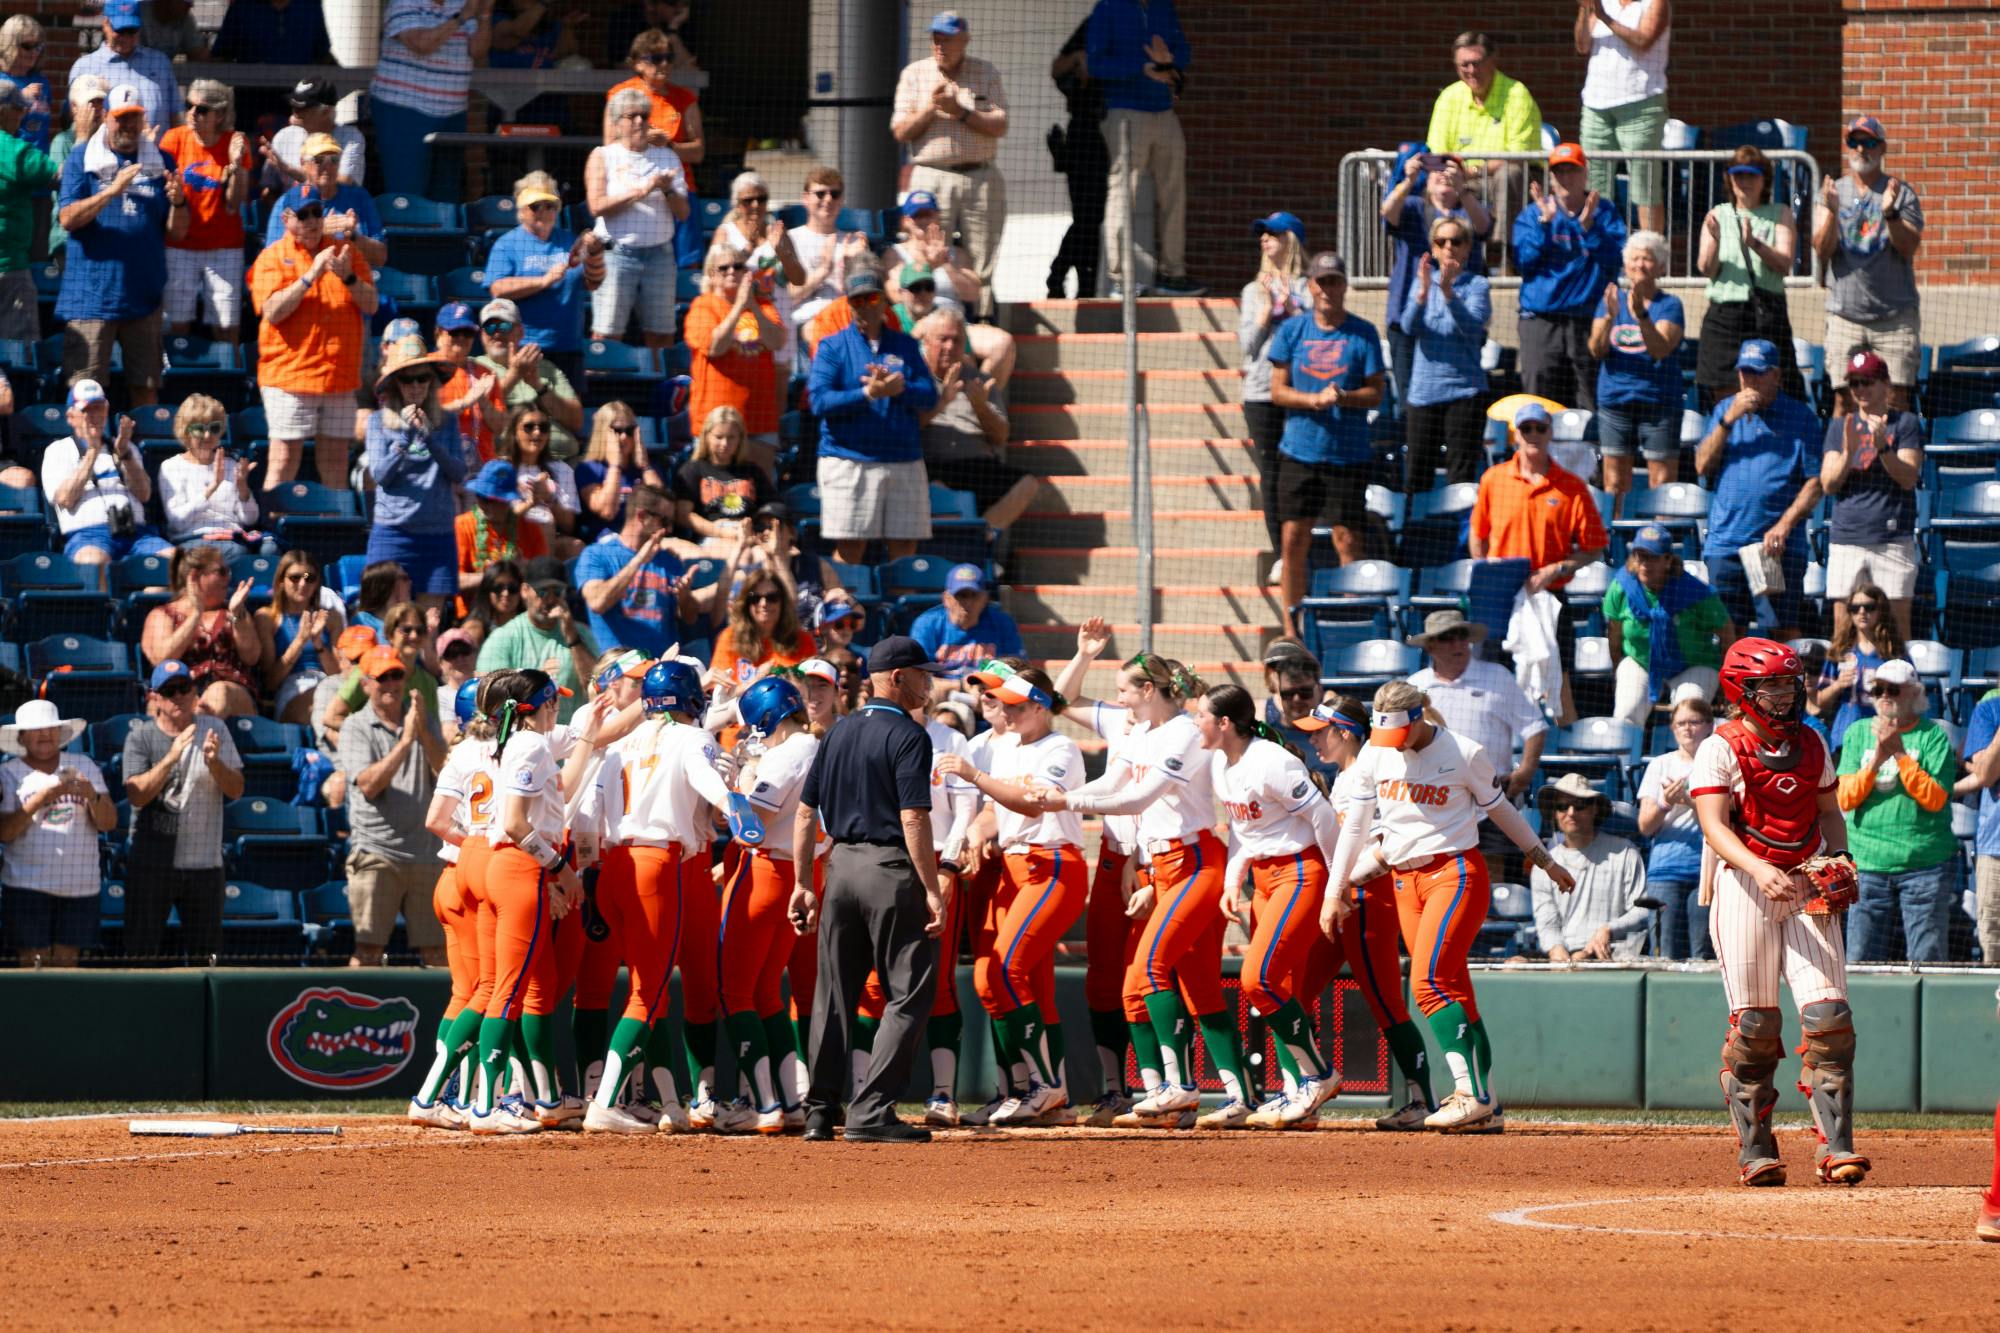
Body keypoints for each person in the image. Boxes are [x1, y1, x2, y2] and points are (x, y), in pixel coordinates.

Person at [1325, 680, 1574, 1132]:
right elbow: (1355, 828)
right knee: (1455, 990)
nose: (1392, 746)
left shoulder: (1463, 752)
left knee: (1428, 984)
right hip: (1404, 881)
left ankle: (1469, 1094)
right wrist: (1333, 890)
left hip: (1454, 874)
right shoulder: (1376, 754)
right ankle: (1488, 1105)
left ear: (1419, 717)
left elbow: (1502, 812)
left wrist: (1545, 860)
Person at [1040, 656, 1255, 1129]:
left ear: (1150, 690)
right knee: (1186, 984)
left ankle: (1178, 1088)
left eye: (1125, 691)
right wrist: (1054, 796)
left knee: (1149, 968)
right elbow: (1114, 785)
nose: (1118, 700)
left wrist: (1066, 801)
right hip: (1163, 864)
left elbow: (1139, 799)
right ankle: (1229, 1096)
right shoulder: (1141, 733)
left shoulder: (1181, 732)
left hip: (1197, 860)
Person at [1691, 637, 1867, 1187]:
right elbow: (1714, 825)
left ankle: (1835, 1148)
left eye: (1789, 684)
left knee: (1830, 1018)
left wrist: (1839, 858)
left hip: (1806, 881)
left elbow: (1828, 812)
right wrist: (1757, 866)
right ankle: (1756, 1149)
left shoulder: (1813, 742)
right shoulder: (1719, 746)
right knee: (1756, 1025)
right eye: (1770, 686)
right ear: (1741, 690)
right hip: (1745, 885)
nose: (1783, 695)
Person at [790, 635, 949, 1144]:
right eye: (922, 674)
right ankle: (872, 1110)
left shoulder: (835, 733)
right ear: (897, 677)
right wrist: (931, 886)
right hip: (889, 870)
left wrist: (801, 882)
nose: (929, 682)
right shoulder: (909, 734)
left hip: (839, 870)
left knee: (833, 994)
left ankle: (819, 1111)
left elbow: (803, 813)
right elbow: (912, 818)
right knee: (908, 994)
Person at [931, 667, 1087, 1124]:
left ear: (1041, 707)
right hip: (1016, 869)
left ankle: (1045, 1086)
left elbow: (1030, 802)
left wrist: (975, 775)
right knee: (1000, 980)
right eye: (1008, 704)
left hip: (1052, 864)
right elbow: (995, 814)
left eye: (1019, 705)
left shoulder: (1060, 747)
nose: (1011, 711)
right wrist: (974, 836)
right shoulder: (1008, 750)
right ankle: (1026, 1093)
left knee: (1003, 971)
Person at [1199, 684, 1344, 1126]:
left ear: (1225, 723)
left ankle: (1319, 1076)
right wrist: (1232, 880)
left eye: (1201, 715)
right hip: (1262, 878)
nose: (1196, 724)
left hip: (1301, 872)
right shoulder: (1220, 763)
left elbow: (1321, 816)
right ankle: (1296, 1093)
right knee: (1279, 987)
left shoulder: (1270, 760)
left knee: (1257, 978)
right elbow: (1244, 831)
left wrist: (1337, 886)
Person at [461, 668, 581, 1132]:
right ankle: (487, 1107)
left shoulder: (515, 742)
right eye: (553, 701)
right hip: (517, 868)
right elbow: (515, 822)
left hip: (504, 867)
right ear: (536, 706)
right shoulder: (530, 744)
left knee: (518, 986)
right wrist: (561, 869)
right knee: (509, 990)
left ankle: (530, 1099)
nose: (558, 708)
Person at [1267, 251, 1387, 631]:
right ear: (1310, 286)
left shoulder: (1363, 332)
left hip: (1347, 454)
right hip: (1299, 452)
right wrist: (1313, 400)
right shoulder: (1292, 330)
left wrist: (1345, 397)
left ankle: (1354, 623)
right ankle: (1292, 628)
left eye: (1334, 280)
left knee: (1348, 540)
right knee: (1292, 540)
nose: (1327, 288)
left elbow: (1376, 393)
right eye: (1321, 281)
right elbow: (1277, 391)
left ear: (1344, 285)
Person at [1470, 400, 1610, 720]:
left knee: (1558, 683)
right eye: (1526, 428)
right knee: (1490, 678)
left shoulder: (1571, 486)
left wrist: (1555, 569)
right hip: (1500, 597)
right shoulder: (1494, 479)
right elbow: (1477, 537)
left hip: (1549, 594)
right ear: (1515, 435)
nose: (1533, 434)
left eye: (1540, 428)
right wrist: (1488, 572)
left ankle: (1563, 754)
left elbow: (1594, 546)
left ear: (1550, 433)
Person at [56, 83, 187, 407]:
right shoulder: (82, 157)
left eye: (134, 117)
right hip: (91, 297)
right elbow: (68, 218)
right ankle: (86, 458)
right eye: (121, 117)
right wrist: (110, 192)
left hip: (143, 296)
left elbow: (177, 233)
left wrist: (180, 203)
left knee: (146, 389)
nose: (128, 124)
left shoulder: (161, 161)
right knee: (86, 395)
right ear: (105, 117)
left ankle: (140, 457)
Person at [251, 182, 379, 490]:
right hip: (289, 378)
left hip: (338, 377)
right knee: (284, 461)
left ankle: (334, 531)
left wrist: (347, 276)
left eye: (316, 213)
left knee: (335, 462)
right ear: (286, 219)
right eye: (303, 214)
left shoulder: (345, 252)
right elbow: (273, 310)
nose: (311, 221)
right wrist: (311, 276)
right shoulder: (272, 257)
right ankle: (273, 532)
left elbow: (371, 304)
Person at [1404, 608, 1548, 881]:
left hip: (1491, 796)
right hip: (1435, 800)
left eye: (1462, 637)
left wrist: (1525, 773)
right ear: (1431, 646)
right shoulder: (1415, 687)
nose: (1458, 644)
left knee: (1490, 879)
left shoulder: (1497, 676)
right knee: (1442, 876)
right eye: (1448, 638)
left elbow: (1535, 726)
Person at [809, 267, 939, 565]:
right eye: (856, 300)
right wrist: (867, 394)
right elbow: (819, 401)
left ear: (883, 302)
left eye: (871, 298)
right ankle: (843, 610)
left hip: (903, 458)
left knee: (905, 549)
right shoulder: (833, 346)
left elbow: (929, 395)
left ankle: (902, 607)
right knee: (851, 547)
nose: (864, 306)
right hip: (849, 459)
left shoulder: (905, 345)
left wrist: (898, 389)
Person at [1696, 338, 1822, 641]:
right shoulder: (1724, 411)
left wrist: (1785, 525)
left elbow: (1815, 483)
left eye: (1758, 373)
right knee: (1728, 633)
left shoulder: (1800, 417)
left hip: (1773, 548)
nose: (1749, 380)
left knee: (1781, 631)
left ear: (1776, 376)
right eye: (1744, 373)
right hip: (1726, 543)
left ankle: (1785, 690)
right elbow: (1701, 465)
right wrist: (1729, 420)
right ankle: (1731, 691)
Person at [1833, 658, 1956, 964]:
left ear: (1915, 694)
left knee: (1927, 961)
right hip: (1868, 864)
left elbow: (1935, 799)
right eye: (1878, 689)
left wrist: (1899, 753)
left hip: (1924, 866)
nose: (1884, 695)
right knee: (1861, 962)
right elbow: (1846, 798)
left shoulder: (1933, 736)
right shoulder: (1858, 733)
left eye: (1894, 689)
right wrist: (1876, 758)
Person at [121, 660, 244, 963]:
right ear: (155, 697)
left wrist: (215, 764)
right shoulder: (141, 737)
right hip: (151, 865)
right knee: (141, 955)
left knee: (208, 958)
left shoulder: (215, 729)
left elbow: (236, 789)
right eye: (169, 691)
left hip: (204, 865)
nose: (178, 697)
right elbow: (137, 795)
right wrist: (171, 757)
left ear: (195, 692)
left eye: (184, 688)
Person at [338, 642, 448, 966]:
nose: (391, 684)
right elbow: (370, 785)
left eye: (396, 675)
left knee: (438, 953)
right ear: (365, 684)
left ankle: (443, 1017)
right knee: (368, 950)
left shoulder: (422, 722)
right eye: (382, 677)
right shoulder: (355, 726)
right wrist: (405, 742)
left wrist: (422, 731)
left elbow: (443, 769)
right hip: (377, 853)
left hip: (425, 854)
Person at [892, 11, 1009, 313]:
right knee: (927, 248)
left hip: (979, 175)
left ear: (965, 40)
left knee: (982, 256)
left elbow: (1000, 125)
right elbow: (900, 130)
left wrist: (961, 111)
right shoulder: (914, 74)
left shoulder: (986, 72)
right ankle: (924, 314)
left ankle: (982, 319)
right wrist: (931, 109)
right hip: (931, 175)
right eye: (936, 39)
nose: (940, 46)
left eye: (948, 39)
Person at [1086, 0, 1199, 298]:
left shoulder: (1164, 7)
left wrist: (1168, 61)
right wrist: (1142, 68)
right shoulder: (1107, 8)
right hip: (1125, 111)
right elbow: (1096, 63)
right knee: (1123, 191)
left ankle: (1174, 274)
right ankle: (1118, 279)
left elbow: (1184, 53)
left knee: (1175, 192)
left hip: (1164, 110)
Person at [1814, 116, 1924, 414]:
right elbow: (1821, 250)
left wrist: (1890, 214)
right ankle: (1844, 460)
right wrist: (1832, 212)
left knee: (1895, 402)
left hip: (1894, 318)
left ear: (1882, 147)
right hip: (1845, 317)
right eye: (1854, 142)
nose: (1861, 149)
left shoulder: (1901, 193)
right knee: (1844, 401)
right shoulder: (1832, 192)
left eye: (1869, 142)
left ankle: (1890, 460)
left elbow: (1908, 247)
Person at [0, 700, 116, 968]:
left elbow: (108, 823)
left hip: (80, 886)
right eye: (36, 729)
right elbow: (5, 833)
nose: (44, 735)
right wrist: (41, 798)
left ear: (60, 733)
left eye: (50, 728)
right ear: (22, 736)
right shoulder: (8, 773)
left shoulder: (84, 765)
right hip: (26, 885)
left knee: (67, 966)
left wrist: (92, 795)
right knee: (33, 963)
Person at [1514, 143, 1627, 412]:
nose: (1566, 178)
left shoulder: (1605, 211)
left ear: (1585, 173)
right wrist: (1544, 224)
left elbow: (1616, 261)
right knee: (1540, 404)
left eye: (1572, 171)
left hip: (1587, 320)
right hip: (1541, 321)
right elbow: (1523, 263)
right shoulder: (1533, 214)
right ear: (1551, 178)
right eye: (1559, 172)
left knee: (1589, 400)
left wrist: (1590, 228)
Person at [1820, 350, 1922, 645]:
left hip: (1891, 539)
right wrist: (1849, 453)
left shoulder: (1905, 424)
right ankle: (1843, 688)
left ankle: (1901, 688)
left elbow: (1908, 477)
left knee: (1897, 628)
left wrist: (1883, 448)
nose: (1861, 389)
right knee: (1842, 629)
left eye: (1868, 382)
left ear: (1886, 384)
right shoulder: (1840, 426)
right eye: (1855, 383)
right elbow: (1828, 484)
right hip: (1846, 538)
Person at [1379, 147, 1492, 415]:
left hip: (1458, 319)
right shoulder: (1414, 206)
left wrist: (1462, 189)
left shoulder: (1469, 209)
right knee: (1410, 401)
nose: (1442, 174)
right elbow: (1387, 213)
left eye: (1449, 169)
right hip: (1410, 314)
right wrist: (1408, 180)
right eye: (1436, 170)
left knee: (1459, 403)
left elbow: (1484, 226)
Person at [1695, 146, 1803, 413]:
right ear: (1729, 179)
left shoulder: (1780, 212)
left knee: (1774, 391)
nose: (1744, 182)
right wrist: (1716, 240)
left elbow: (1784, 263)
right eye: (1738, 175)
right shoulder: (1717, 214)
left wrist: (1755, 244)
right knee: (1724, 392)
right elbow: (1706, 268)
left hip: (1766, 312)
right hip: (1725, 316)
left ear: (1764, 179)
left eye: (1751, 175)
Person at [364, 334, 468, 609]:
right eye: (407, 379)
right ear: (396, 384)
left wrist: (430, 439)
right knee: (387, 616)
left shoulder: (447, 422)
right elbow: (380, 476)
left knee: (430, 623)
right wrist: (406, 437)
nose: (415, 386)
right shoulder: (378, 422)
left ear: (432, 381)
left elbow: (459, 473)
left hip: (437, 534)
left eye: (422, 378)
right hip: (393, 532)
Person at [916, 309, 1040, 534]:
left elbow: (1001, 437)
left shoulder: (979, 381)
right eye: (943, 339)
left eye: (957, 340)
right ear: (926, 342)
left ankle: (981, 540)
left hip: (975, 467)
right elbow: (908, 429)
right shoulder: (913, 379)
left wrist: (981, 406)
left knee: (1026, 484)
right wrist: (941, 403)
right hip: (928, 466)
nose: (950, 347)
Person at [587, 87, 690, 350]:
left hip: (660, 256)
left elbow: (683, 213)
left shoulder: (667, 157)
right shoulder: (603, 156)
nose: (639, 122)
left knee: (661, 335)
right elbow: (596, 206)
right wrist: (643, 190)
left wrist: (666, 189)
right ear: (616, 122)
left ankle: (661, 389)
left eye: (644, 116)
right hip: (616, 255)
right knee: (607, 335)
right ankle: (604, 388)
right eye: (631, 116)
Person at [484, 172, 605, 389]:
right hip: (526, 348)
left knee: (568, 417)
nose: (544, 211)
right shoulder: (507, 244)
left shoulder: (569, 241)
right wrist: (542, 281)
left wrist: (595, 254)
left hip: (568, 347)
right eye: (535, 206)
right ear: (521, 210)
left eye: (550, 206)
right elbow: (497, 288)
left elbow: (593, 283)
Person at [1400, 214, 1493, 495]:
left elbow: (1472, 329)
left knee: (1460, 477)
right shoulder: (1420, 284)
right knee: (1416, 475)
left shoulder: (1477, 285)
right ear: (1434, 248)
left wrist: (1448, 292)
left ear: (1467, 248)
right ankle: (1415, 534)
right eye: (1441, 241)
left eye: (1456, 241)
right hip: (1423, 393)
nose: (1449, 247)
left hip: (1464, 392)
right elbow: (1408, 327)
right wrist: (1423, 294)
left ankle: (1458, 536)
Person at [1602, 523, 1730, 726]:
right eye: (1640, 556)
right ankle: (1626, 758)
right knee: (1625, 716)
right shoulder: (1622, 586)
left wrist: (1727, 682)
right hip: (1641, 661)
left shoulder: (1694, 592)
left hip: (1694, 664)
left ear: (1668, 559)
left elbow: (1726, 633)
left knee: (1689, 718)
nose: (1644, 563)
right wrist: (1617, 670)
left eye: (1652, 557)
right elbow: (1614, 635)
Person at [1589, 230, 1685, 497]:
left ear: (1661, 267)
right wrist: (1609, 317)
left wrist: (1641, 315)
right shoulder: (1610, 300)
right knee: (1614, 483)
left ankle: (1659, 536)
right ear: (1626, 264)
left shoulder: (1670, 305)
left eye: (1648, 259)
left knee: (1662, 484)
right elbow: (1596, 350)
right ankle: (1614, 537)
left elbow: (1660, 349)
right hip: (1615, 402)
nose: (1640, 264)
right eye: (1635, 258)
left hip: (1659, 403)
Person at [41, 378, 171, 572]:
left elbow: (144, 494)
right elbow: (64, 499)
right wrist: (92, 452)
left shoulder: (125, 447)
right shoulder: (58, 450)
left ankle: (149, 600)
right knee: (93, 563)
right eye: (87, 410)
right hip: (89, 535)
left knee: (177, 562)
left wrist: (125, 455)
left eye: (98, 408)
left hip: (137, 533)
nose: (94, 415)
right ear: (71, 416)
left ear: (107, 410)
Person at [1239, 212, 1309, 574]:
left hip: (1299, 391)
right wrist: (1267, 308)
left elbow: (1315, 332)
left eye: (1274, 234)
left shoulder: (1309, 286)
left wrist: (1292, 304)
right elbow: (1247, 345)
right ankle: (1280, 551)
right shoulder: (1253, 290)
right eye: (1262, 234)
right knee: (1270, 471)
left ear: (1291, 240)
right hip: (1262, 392)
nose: (1265, 239)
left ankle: (1300, 548)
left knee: (1297, 471)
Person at [157, 80, 250, 343]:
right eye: (189, 106)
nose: (192, 113)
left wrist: (235, 164)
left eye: (201, 109)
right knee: (176, 324)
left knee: (226, 326)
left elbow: (235, 203)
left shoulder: (235, 142)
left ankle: (225, 380)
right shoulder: (173, 139)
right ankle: (175, 380)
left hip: (224, 247)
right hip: (180, 245)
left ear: (219, 114)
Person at [370, 0, 492, 200]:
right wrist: (462, 17)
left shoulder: (461, 5)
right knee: (407, 191)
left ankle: (441, 231)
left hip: (452, 113)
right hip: (404, 110)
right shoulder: (404, 4)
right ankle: (404, 230)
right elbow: (421, 44)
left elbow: (478, 51)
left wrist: (484, 15)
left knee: (446, 192)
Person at [1573, 0, 1670, 237]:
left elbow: (1642, 41)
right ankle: (1600, 254)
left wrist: (1604, 16)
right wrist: (1587, 9)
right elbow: (1582, 45)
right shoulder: (1599, 3)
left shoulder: (1655, 3)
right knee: (1594, 186)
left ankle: (1651, 255)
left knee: (1644, 186)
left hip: (1641, 102)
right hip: (1596, 104)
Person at [1531, 772, 1648, 961]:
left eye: (1579, 805)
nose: (1570, 812)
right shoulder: (1545, 865)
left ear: (1595, 809)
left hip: (1613, 954)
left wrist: (1609, 929)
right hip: (1564, 957)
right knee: (1512, 964)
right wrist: (1556, 949)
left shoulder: (1625, 852)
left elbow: (1642, 910)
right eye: (1562, 806)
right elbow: (1547, 922)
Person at [685, 244, 785, 457]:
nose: (732, 271)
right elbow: (715, 347)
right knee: (715, 487)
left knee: (761, 486)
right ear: (712, 275)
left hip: (759, 419)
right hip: (716, 423)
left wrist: (754, 307)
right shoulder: (703, 306)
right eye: (724, 268)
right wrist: (739, 306)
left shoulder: (764, 306)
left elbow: (777, 341)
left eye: (738, 266)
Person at [140, 544, 262, 718]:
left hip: (232, 693)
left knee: (218, 692)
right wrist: (196, 614)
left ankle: (193, 737)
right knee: (159, 703)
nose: (228, 578)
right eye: (221, 571)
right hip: (180, 691)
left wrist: (237, 614)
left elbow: (251, 657)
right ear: (195, 576)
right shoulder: (163, 614)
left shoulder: (233, 611)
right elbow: (162, 659)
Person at [575, 484, 695, 660]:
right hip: (617, 669)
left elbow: (690, 619)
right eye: (665, 522)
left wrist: (685, 598)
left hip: (660, 666)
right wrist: (639, 560)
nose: (669, 530)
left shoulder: (669, 561)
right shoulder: (596, 554)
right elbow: (597, 602)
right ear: (641, 515)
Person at [1637, 688, 1714, 958]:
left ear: (1709, 725)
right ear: (1672, 728)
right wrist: (1666, 803)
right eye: (1681, 723)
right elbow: (1645, 826)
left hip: (1706, 869)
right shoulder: (1660, 764)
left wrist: (1690, 800)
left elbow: (1730, 813)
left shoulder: (1717, 762)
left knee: (1702, 954)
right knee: (1664, 953)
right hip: (1666, 868)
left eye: (1695, 722)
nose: (1688, 729)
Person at [477, 554, 597, 717]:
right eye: (541, 591)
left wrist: (572, 637)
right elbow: (487, 698)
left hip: (569, 737)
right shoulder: (503, 637)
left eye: (557, 591)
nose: (550, 599)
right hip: (520, 736)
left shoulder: (581, 634)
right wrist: (534, 680)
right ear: (525, 591)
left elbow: (597, 688)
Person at [1425, 31, 1542, 192]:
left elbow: (1517, 157)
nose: (1472, 70)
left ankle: (1503, 219)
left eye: (1477, 63)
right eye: (1464, 65)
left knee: (1508, 174)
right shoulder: (1449, 97)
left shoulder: (1517, 94)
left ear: (1493, 60)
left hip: (1504, 180)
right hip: (1459, 179)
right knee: (1428, 184)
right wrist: (1454, 175)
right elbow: (1439, 153)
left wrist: (1473, 171)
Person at [473, 296, 587, 461]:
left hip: (562, 460)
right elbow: (475, 413)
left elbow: (576, 421)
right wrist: (515, 374)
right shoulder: (474, 367)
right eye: (490, 327)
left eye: (504, 326)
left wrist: (538, 385)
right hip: (507, 461)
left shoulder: (545, 367)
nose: (497, 333)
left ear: (520, 332)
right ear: (482, 335)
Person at [1047, 14, 1108, 299]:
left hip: (1110, 130)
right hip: (1083, 131)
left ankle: (1081, 284)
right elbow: (1057, 67)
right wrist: (1079, 60)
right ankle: (1060, 276)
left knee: (1092, 219)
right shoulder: (1095, 23)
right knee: (1086, 217)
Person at [259, 134, 387, 270]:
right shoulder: (287, 202)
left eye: (334, 159)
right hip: (307, 284)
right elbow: (275, 260)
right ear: (303, 163)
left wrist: (353, 236)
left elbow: (381, 258)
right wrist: (317, 232)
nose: (328, 166)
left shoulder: (359, 197)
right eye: (319, 159)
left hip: (353, 282)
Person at [156, 393, 264, 553]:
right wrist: (211, 488)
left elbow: (250, 520)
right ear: (186, 431)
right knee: (237, 553)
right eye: (199, 429)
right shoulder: (171, 467)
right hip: (193, 539)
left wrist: (243, 490)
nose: (208, 435)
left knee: (270, 550)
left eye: (214, 428)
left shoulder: (231, 464)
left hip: (233, 537)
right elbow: (177, 522)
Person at [254, 550, 342, 728]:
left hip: (329, 684)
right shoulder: (268, 617)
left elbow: (338, 674)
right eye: (295, 577)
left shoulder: (331, 617)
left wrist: (319, 645)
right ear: (281, 581)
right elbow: (270, 682)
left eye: (309, 578)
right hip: (292, 688)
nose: (303, 583)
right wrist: (299, 642)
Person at [0, 75, 57, 342]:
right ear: (3, 111)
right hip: (9, 271)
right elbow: (61, 175)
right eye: (19, 108)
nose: (24, 114)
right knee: (19, 357)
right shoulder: (14, 150)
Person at [785, 166, 874, 334]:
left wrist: (854, 266)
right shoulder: (789, 240)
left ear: (841, 200)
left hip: (848, 319)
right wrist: (824, 270)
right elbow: (786, 298)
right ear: (805, 198)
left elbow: (867, 296)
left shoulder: (854, 242)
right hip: (805, 322)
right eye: (820, 194)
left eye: (834, 194)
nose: (828, 199)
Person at [68, 3, 179, 135]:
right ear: (105, 24)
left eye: (131, 31)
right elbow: (71, 120)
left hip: (156, 153)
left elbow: (176, 116)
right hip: (102, 154)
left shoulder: (160, 63)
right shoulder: (85, 66)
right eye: (120, 31)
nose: (126, 37)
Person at [1816, 583, 1906, 742]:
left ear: (1881, 610)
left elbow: (1911, 697)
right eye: (1855, 607)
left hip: (1885, 734)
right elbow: (1818, 703)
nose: (1862, 612)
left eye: (1869, 607)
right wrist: (1838, 685)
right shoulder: (1840, 651)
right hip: (1846, 736)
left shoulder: (1895, 652)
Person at [603, 27, 704, 165]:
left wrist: (668, 146)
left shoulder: (685, 98)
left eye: (669, 58)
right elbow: (610, 145)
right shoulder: (620, 94)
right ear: (637, 64)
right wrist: (642, 139)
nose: (664, 64)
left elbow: (698, 153)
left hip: (675, 179)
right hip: (631, 176)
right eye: (656, 59)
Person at [909, 564, 1023, 686]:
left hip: (986, 690)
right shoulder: (927, 624)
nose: (968, 602)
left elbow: (1017, 670)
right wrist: (960, 686)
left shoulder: (1002, 623)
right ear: (946, 598)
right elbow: (918, 673)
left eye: (974, 595)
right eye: (961, 595)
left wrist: (984, 684)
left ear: (985, 598)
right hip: (942, 691)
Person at [676, 406, 771, 551]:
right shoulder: (692, 469)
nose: (725, 444)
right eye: (719, 437)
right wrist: (720, 531)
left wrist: (760, 529)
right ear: (707, 436)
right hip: (712, 536)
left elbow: (772, 506)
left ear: (740, 439)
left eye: (731, 437)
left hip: (747, 534)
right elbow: (683, 515)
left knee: (763, 557)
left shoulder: (752, 470)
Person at [495, 402, 581, 559]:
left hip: (548, 538)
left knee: (575, 547)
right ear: (514, 431)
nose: (537, 433)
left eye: (543, 427)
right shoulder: (498, 468)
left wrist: (548, 498)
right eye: (529, 427)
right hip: (508, 535)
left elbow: (568, 525)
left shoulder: (561, 470)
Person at [574, 400, 667, 543]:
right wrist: (615, 466)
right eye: (617, 431)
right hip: (608, 541)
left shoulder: (649, 469)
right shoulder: (589, 468)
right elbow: (607, 512)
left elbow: (663, 509)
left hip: (648, 538)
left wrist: (645, 465)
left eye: (629, 431)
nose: (624, 437)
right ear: (603, 433)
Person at [455, 460, 548, 601]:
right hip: (474, 613)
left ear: (507, 500)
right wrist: (497, 573)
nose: (482, 504)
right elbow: (453, 581)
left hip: (518, 611)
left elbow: (546, 577)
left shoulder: (530, 529)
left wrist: (526, 567)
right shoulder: (461, 525)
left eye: (490, 499)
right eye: (480, 496)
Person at [43, 75, 106, 261]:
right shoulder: (62, 142)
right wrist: (82, 140)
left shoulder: (108, 142)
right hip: (68, 240)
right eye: (90, 103)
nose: (95, 110)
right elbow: (67, 185)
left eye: (99, 103)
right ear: (74, 108)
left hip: (101, 235)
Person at [257, 77, 357, 191]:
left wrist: (288, 169)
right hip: (290, 208)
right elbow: (269, 190)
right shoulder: (283, 137)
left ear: (325, 112)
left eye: (301, 107)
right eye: (293, 105)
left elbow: (343, 184)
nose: (295, 112)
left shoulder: (350, 137)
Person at [463, 558, 524, 648]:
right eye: (498, 588)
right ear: (487, 590)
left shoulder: (530, 623)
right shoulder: (475, 629)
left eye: (512, 588)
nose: (505, 593)